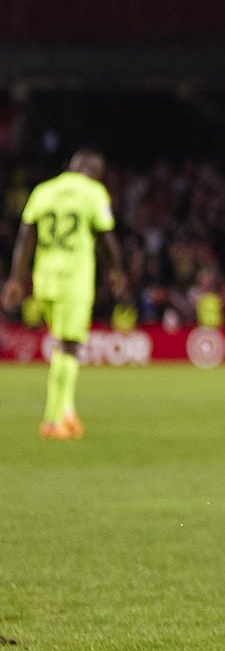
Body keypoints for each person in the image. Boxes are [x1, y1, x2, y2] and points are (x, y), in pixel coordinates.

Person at [4, 150, 124, 440]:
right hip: (74, 279)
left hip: (44, 279)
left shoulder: (43, 191)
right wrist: (117, 270)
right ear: (94, 172)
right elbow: (106, 236)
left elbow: (25, 236)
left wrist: (16, 279)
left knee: (61, 345)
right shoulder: (93, 193)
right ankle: (53, 419)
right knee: (69, 347)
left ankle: (67, 413)